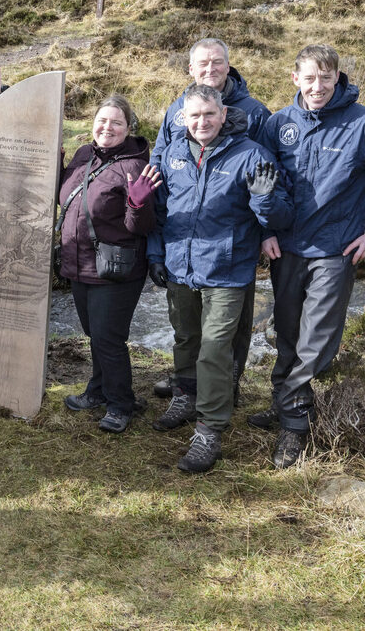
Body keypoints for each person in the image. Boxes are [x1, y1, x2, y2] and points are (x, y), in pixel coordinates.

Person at [251, 44, 365, 468]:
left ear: (338, 78)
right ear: (294, 78)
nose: (318, 86)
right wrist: (265, 231)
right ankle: (287, 402)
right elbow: (260, 184)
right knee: (287, 332)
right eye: (309, 78)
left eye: (326, 77)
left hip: (336, 251)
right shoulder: (279, 124)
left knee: (315, 343)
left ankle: (293, 427)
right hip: (287, 248)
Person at [147, 85, 293, 473]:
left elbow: (279, 218)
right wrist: (155, 254)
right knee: (186, 338)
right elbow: (159, 211)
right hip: (180, 265)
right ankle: (185, 396)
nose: (201, 123)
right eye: (193, 116)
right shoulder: (173, 154)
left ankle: (209, 431)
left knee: (214, 349)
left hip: (228, 271)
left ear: (223, 114)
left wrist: (265, 199)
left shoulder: (252, 156)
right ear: (184, 118)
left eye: (208, 115)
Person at [150, 38, 273, 404]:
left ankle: (225, 388)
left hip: (234, 240)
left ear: (228, 64)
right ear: (190, 68)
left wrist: (268, 230)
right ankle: (187, 384)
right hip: (185, 237)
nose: (210, 69)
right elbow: (161, 162)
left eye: (217, 62)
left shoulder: (254, 112)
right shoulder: (177, 108)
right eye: (202, 64)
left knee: (229, 326)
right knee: (187, 326)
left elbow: (270, 174)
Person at [53, 95, 161, 432]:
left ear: (129, 128)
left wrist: (138, 204)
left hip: (115, 268)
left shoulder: (135, 166)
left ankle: (120, 404)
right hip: (79, 263)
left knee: (107, 339)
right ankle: (99, 390)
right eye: (102, 120)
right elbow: (66, 193)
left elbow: (140, 228)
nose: (107, 127)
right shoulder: (84, 155)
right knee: (94, 335)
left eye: (116, 122)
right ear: (93, 124)